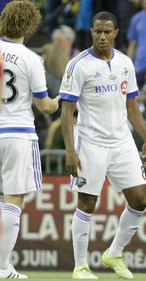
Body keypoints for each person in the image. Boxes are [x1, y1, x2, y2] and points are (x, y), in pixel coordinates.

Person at [59, 11, 146, 279]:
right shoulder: (78, 65)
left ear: (115, 33)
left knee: (140, 199)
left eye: (107, 32)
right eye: (97, 31)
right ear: (91, 32)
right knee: (87, 203)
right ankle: (80, 266)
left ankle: (114, 253)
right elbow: (67, 112)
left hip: (122, 142)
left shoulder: (125, 62)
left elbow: (132, 106)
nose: (102, 36)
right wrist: (71, 150)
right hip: (91, 143)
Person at [0, 1, 60, 279]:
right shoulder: (30, 58)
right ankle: (3, 267)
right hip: (17, 134)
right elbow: (44, 106)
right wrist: (62, 99)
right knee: (14, 199)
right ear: (30, 25)